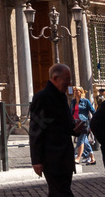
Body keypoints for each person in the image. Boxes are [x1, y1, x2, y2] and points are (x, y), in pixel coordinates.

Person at [29, 64, 83, 197]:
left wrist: (75, 129)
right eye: (67, 79)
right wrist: (36, 160)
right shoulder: (42, 97)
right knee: (62, 193)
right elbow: (36, 130)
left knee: (57, 192)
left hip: (65, 157)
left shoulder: (62, 96)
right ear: (55, 78)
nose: (69, 83)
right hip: (52, 158)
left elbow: (66, 123)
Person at [71, 86, 96, 165]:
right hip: (76, 123)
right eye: (75, 90)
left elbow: (93, 111)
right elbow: (70, 112)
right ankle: (92, 158)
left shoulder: (86, 101)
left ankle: (78, 158)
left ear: (81, 92)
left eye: (77, 90)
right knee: (85, 141)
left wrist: (96, 120)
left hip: (84, 123)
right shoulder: (73, 101)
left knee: (80, 140)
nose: (76, 92)